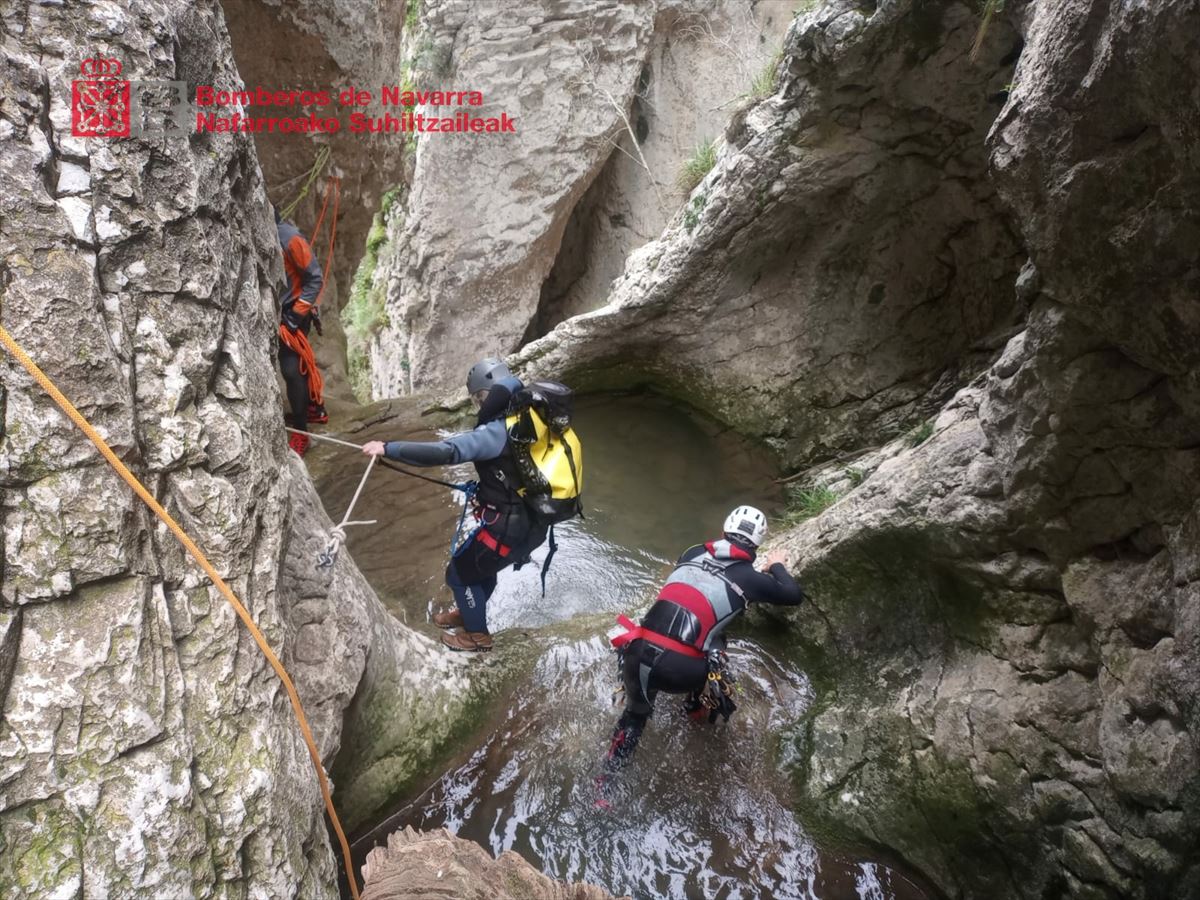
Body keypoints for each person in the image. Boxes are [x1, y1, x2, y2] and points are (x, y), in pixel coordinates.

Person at [598, 505, 804, 799]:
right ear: (757, 545)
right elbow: (792, 595)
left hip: (637, 653)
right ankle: (695, 710)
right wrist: (777, 564)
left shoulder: (693, 551)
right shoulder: (752, 579)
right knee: (716, 644)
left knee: (634, 717)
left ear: (723, 532)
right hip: (682, 671)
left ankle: (604, 787)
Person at [362, 357, 548, 652]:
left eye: (478, 399)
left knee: (459, 573)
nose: (478, 405)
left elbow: (446, 452)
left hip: (508, 528)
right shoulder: (532, 418)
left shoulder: (495, 432)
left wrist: (388, 448)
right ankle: (468, 610)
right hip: (534, 523)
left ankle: (476, 637)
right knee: (480, 567)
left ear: (484, 397)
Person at [276, 205, 327, 457]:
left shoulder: (290, 238)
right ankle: (309, 407)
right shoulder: (272, 237)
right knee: (293, 369)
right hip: (280, 312)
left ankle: (301, 432)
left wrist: (295, 317)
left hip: (293, 314)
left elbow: (314, 279)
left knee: (291, 370)